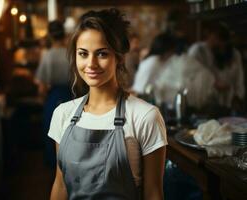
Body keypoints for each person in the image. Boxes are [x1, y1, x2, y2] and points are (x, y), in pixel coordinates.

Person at [48, 8, 167, 199]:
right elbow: (61, 185)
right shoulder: (63, 114)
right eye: (83, 54)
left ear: (119, 57)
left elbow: (153, 193)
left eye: (102, 54)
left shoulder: (145, 116)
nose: (91, 64)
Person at [35, 20, 72, 169]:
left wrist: (42, 98)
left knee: (52, 135)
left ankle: (54, 171)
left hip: (53, 98)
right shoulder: (71, 54)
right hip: (71, 97)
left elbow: (42, 86)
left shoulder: (47, 55)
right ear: (64, 35)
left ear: (50, 36)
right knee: (70, 135)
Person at [188, 22, 245, 111]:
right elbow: (193, 75)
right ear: (209, 35)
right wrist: (214, 83)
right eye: (216, 38)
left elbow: (239, 78)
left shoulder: (234, 53)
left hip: (228, 102)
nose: (219, 43)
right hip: (203, 103)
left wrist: (237, 96)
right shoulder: (197, 50)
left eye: (222, 41)